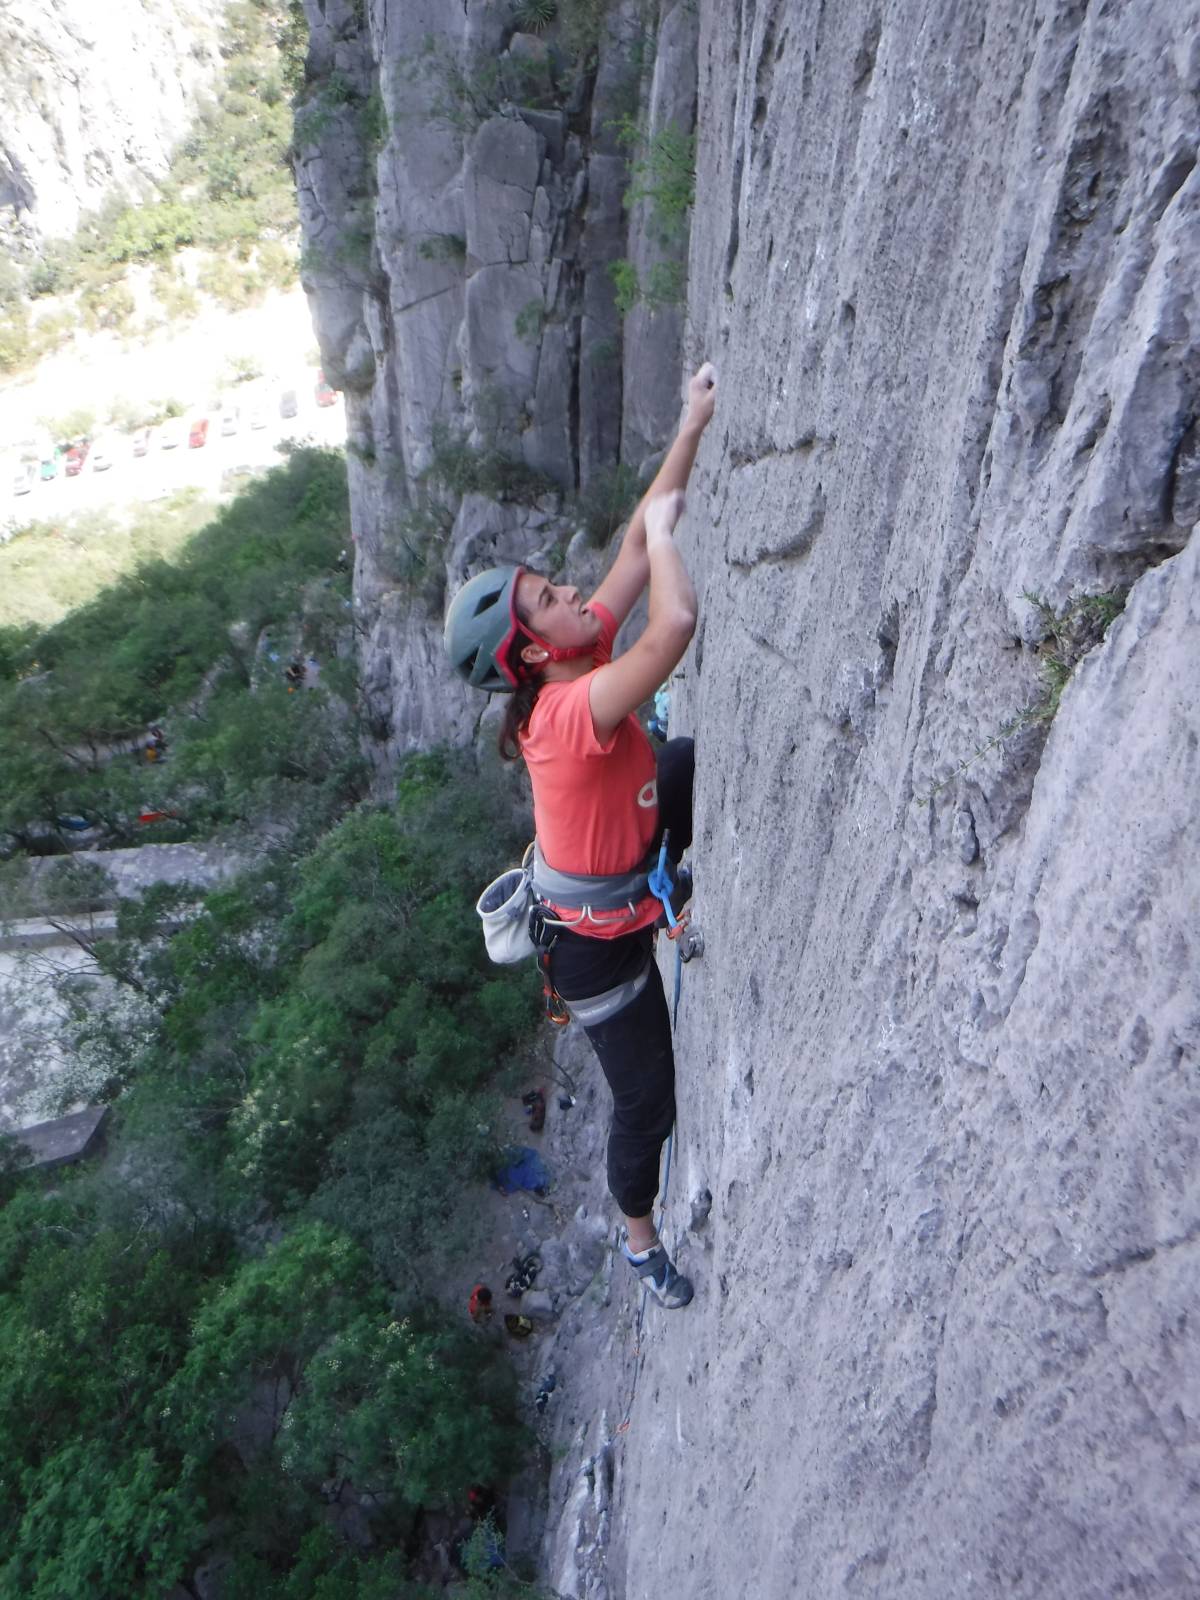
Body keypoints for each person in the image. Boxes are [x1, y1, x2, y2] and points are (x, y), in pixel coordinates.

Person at [444, 360, 717, 1310]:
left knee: (678, 760)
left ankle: (672, 885)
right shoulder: (559, 716)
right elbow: (675, 613)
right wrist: (672, 538)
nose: (569, 592)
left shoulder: (577, 652)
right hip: (597, 957)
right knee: (651, 1100)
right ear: (530, 650)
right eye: (547, 599)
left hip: (625, 875)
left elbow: (644, 527)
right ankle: (640, 1241)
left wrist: (691, 419)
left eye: (552, 586)